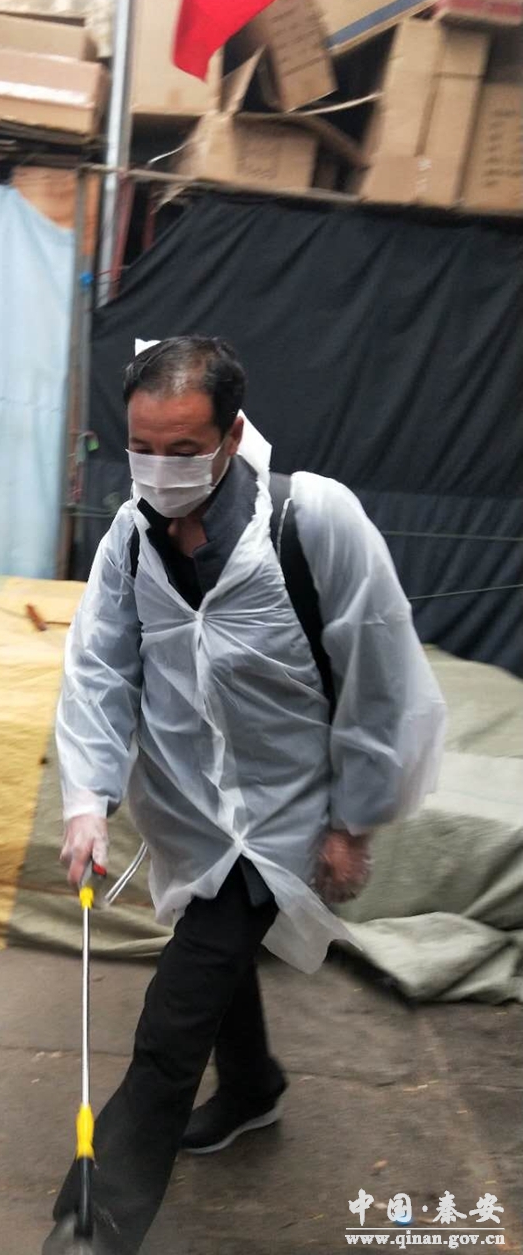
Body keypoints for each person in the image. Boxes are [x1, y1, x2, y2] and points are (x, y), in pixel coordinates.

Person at [43, 336, 446, 1255]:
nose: (159, 470)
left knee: (173, 1018)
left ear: (230, 436)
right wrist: (87, 797)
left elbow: (381, 674)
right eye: (143, 448)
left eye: (184, 449)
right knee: (216, 953)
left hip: (284, 813)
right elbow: (100, 668)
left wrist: (352, 819)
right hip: (189, 809)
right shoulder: (129, 538)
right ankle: (254, 1087)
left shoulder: (313, 521)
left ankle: (96, 1222)